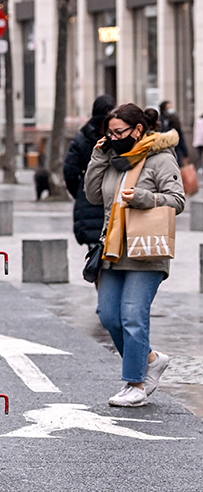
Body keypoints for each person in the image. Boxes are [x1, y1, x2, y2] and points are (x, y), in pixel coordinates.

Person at [84, 103, 184, 407]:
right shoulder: (115, 159)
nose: (114, 138)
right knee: (109, 315)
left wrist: (144, 198)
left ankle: (135, 384)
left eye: (119, 132)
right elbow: (92, 195)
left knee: (132, 316)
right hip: (114, 249)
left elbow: (177, 200)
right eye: (109, 134)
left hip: (146, 249)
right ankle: (151, 359)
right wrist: (99, 157)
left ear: (138, 130)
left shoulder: (160, 158)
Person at [63, 94, 115, 245]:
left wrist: (80, 191)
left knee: (94, 255)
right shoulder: (117, 135)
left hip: (88, 199)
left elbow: (70, 171)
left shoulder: (82, 136)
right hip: (112, 200)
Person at [158, 100, 190, 167]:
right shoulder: (160, 121)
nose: (170, 110)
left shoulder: (175, 120)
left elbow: (181, 138)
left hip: (175, 150)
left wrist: (185, 153)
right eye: (168, 108)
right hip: (163, 151)